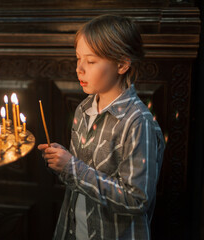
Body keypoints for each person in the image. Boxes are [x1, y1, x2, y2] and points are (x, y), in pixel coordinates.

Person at [38, 14, 165, 240]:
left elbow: (137, 200)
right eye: (78, 58)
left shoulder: (138, 122)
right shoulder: (83, 109)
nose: (79, 69)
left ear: (122, 64)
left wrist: (71, 167)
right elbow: (76, 177)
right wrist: (61, 161)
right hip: (76, 229)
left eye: (91, 61)